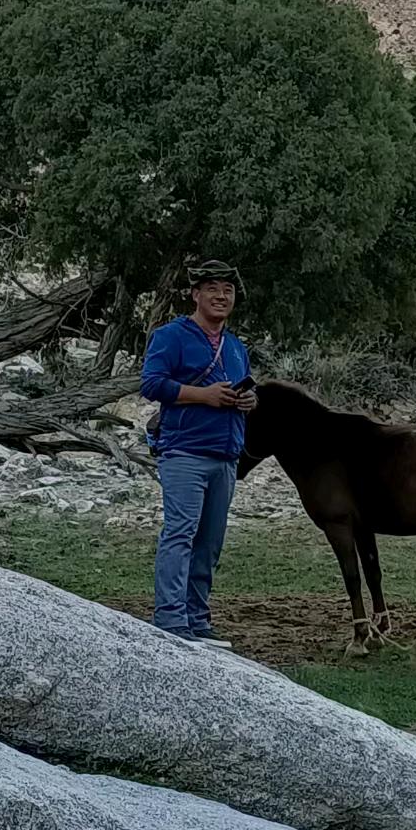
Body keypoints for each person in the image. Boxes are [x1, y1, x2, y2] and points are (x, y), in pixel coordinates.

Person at [140, 260, 256, 648]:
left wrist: (247, 400)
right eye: (213, 289)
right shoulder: (171, 336)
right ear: (195, 294)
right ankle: (170, 619)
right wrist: (203, 396)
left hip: (226, 455)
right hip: (184, 451)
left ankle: (197, 617)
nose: (222, 297)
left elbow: (240, 388)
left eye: (228, 291)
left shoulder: (236, 346)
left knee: (210, 541)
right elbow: (152, 384)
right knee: (180, 533)